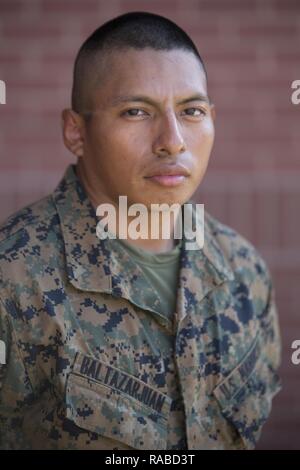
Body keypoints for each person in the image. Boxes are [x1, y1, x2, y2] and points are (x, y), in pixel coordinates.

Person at [0, 11, 281, 450]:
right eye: (136, 111)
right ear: (76, 132)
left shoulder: (244, 271)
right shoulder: (14, 280)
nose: (172, 140)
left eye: (192, 111)